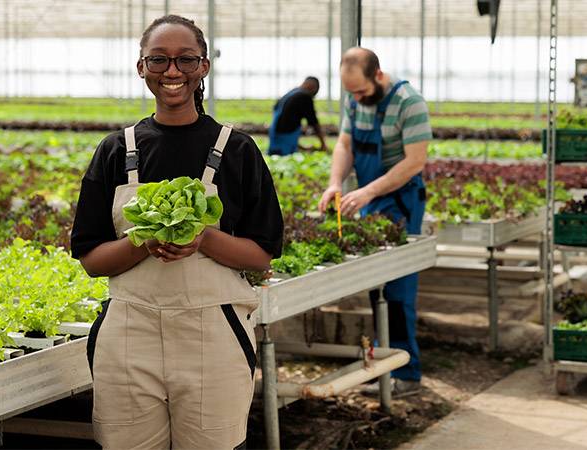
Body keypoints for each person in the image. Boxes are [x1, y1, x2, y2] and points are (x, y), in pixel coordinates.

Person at [70, 15, 283, 448]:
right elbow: (92, 260)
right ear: (141, 67)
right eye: (159, 60)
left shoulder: (236, 149)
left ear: (203, 67)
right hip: (130, 332)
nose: (172, 72)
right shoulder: (115, 150)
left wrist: (203, 239)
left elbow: (262, 253)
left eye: (186, 60)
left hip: (213, 329)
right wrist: (145, 243)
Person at [318, 47, 430, 395]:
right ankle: (385, 363)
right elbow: (345, 145)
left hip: (400, 200)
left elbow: (414, 162)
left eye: (362, 91)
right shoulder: (356, 100)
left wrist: (367, 192)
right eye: (351, 93)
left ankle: (407, 373)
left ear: (378, 75)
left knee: (397, 290)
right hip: (369, 198)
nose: (356, 98)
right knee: (377, 287)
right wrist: (336, 182)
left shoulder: (409, 103)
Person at [268, 76, 328, 155]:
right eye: (314, 93)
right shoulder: (304, 96)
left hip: (275, 135)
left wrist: (302, 147)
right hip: (284, 138)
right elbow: (313, 122)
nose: (312, 96)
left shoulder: (291, 93)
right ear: (312, 87)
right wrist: (323, 144)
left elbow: (285, 120)